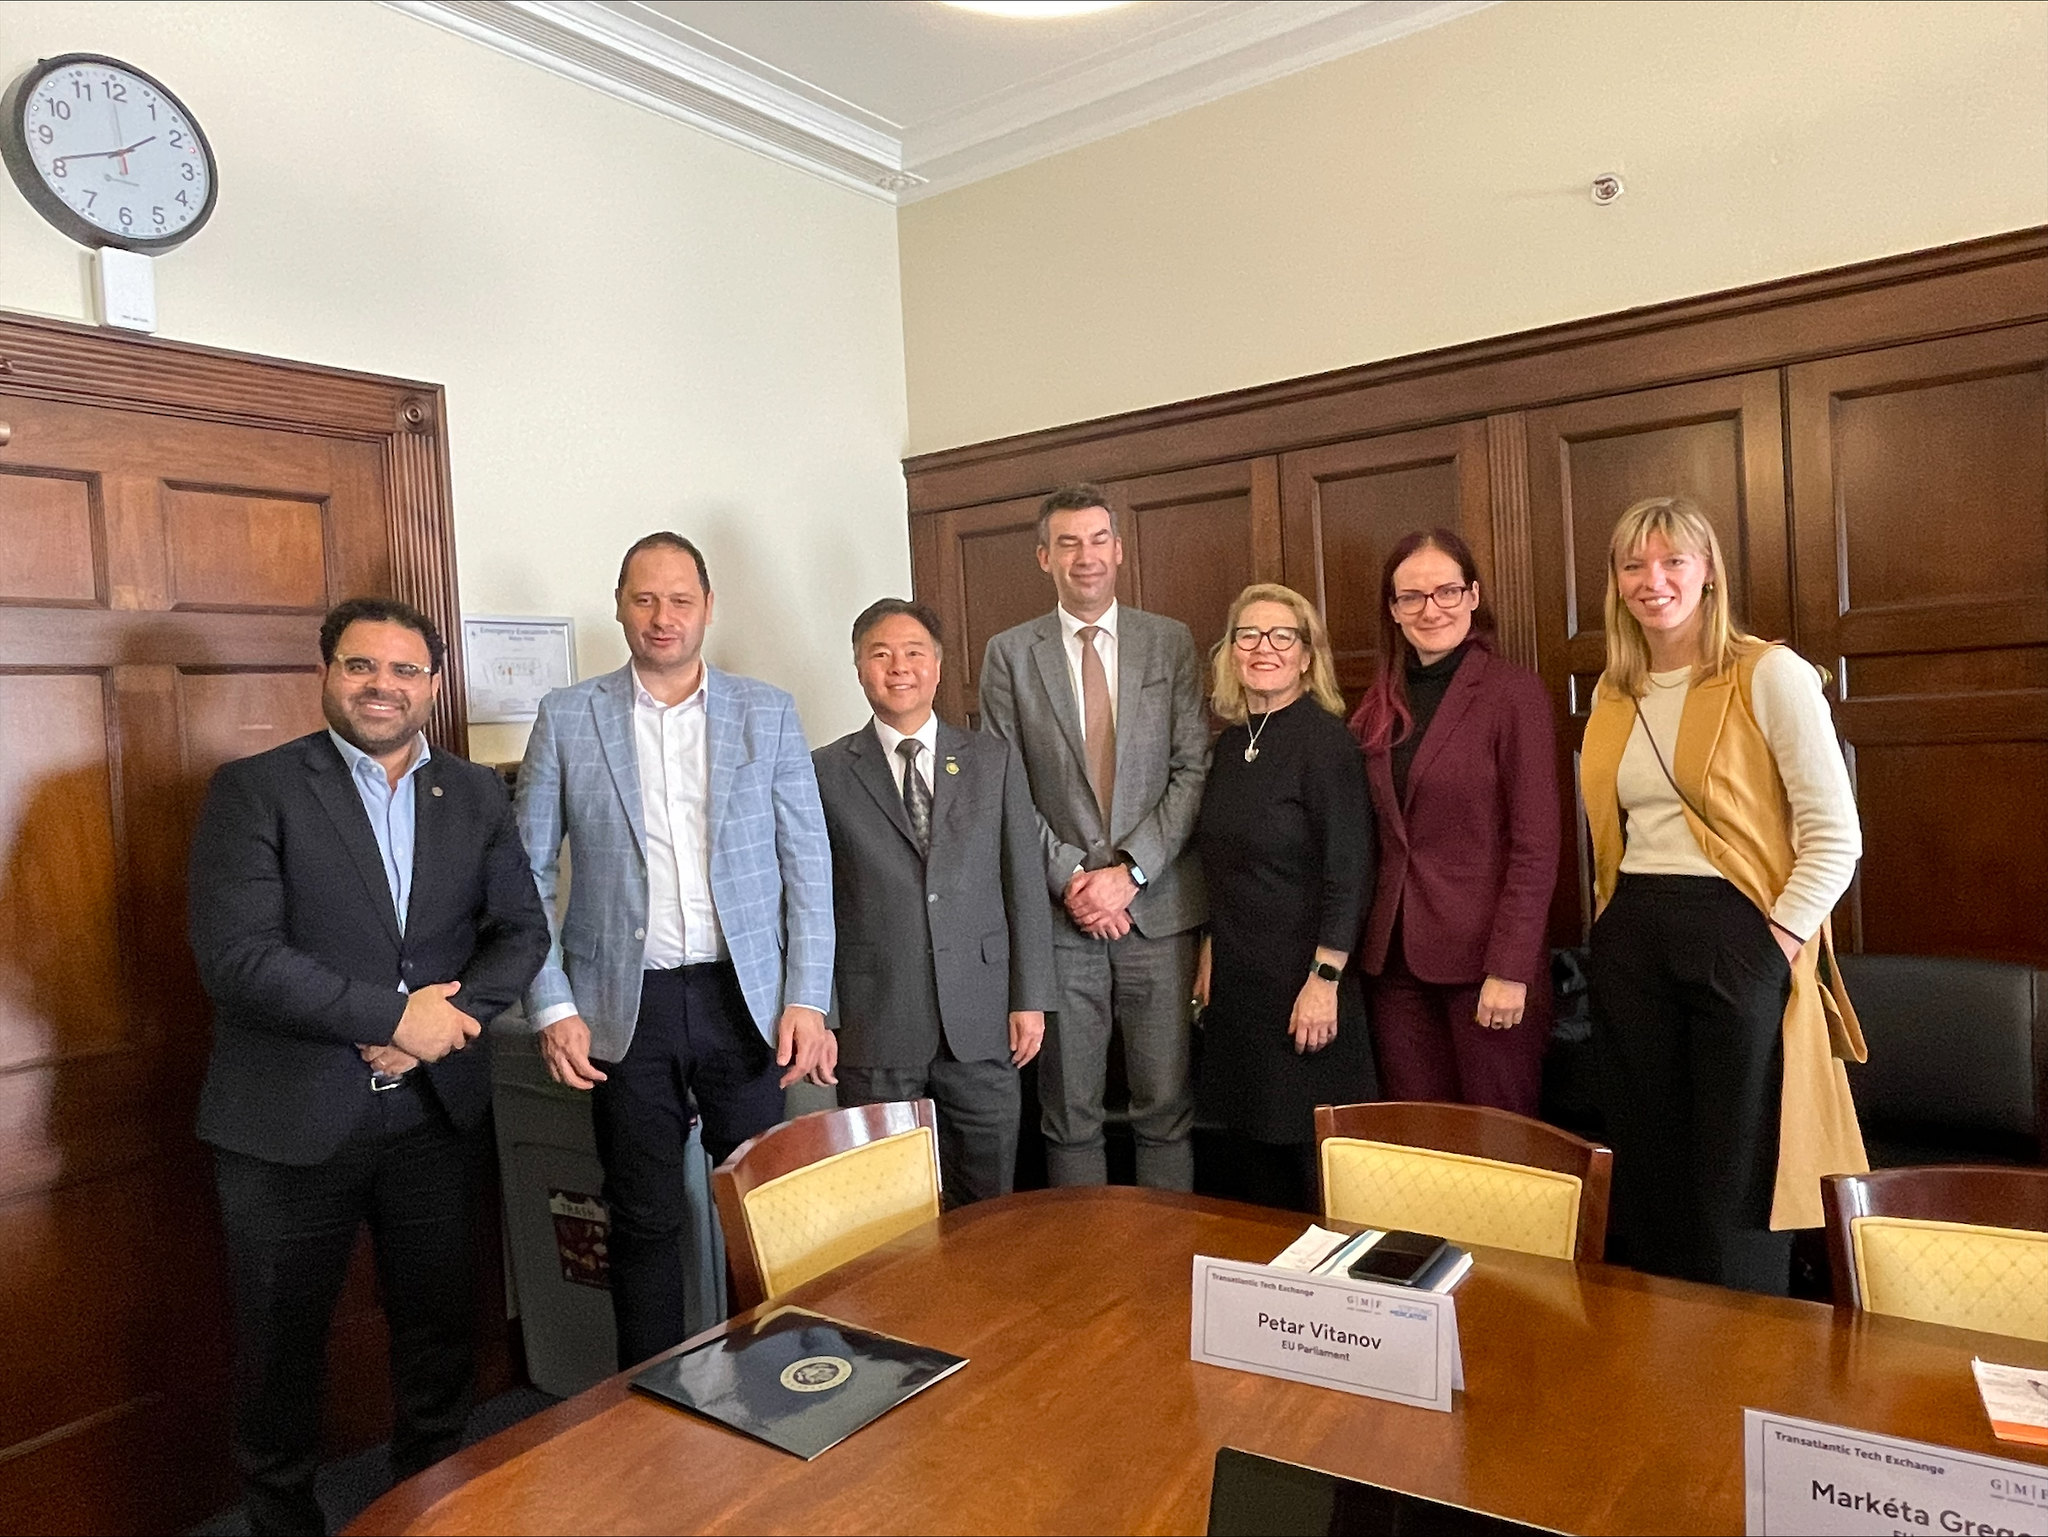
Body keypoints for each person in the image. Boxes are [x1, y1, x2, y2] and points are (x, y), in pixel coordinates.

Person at [189, 597, 549, 1537]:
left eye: (403, 669)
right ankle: (282, 1520)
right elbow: (239, 956)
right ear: (326, 672)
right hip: (288, 1123)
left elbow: (521, 930)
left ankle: (432, 1502)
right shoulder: (254, 788)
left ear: (432, 682)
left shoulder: (471, 793)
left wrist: (447, 1019)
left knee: (438, 1334)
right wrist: (395, 1014)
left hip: (432, 1114)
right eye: (361, 666)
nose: (382, 685)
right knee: (280, 1347)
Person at [515, 532, 836, 1370]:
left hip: (747, 1000)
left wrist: (806, 995)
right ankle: (651, 1415)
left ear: (708, 607)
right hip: (627, 1008)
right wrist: (552, 1003)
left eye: (680, 599)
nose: (663, 617)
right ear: (620, 605)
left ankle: (778, 1383)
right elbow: (527, 873)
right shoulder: (567, 715)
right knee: (644, 1220)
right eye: (645, 599)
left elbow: (809, 863)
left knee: (764, 1214)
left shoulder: (766, 710)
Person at [1580, 495, 1866, 1295]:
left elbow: (1835, 836)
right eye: (1633, 564)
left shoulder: (1767, 672)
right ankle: (1661, 1367)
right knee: (1650, 1165)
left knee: (1736, 1171)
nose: (1653, 580)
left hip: (1738, 932)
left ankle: (1742, 1367)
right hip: (1633, 930)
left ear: (1708, 574)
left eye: (1673, 560)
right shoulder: (1613, 690)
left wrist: (1771, 944)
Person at [978, 485, 1209, 1190]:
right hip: (1061, 920)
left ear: (1119, 547)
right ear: (1045, 556)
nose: (1086, 556)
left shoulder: (1169, 641)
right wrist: (1074, 878)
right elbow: (1003, 785)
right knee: (1068, 1113)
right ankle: (1084, 1280)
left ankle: (1167, 1271)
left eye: (1098, 539)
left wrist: (1131, 871)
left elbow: (1192, 766)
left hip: (1158, 913)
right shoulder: (1009, 655)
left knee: (1165, 1108)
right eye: (1069, 543)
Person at [812, 598, 1056, 1204]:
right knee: (888, 1211)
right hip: (876, 1025)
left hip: (982, 1023)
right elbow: (810, 903)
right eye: (881, 654)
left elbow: (1023, 882)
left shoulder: (991, 760)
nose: (900, 666)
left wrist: (1030, 997)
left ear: (938, 667)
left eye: (914, 652)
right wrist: (822, 1011)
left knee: (989, 1205)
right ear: (860, 669)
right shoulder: (823, 771)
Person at [1348, 530, 1559, 1115]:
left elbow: (1535, 846)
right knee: (1421, 1147)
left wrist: (1510, 968)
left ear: (1473, 596)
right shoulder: (1378, 701)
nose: (1430, 608)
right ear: (1393, 611)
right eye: (1411, 597)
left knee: (1501, 1144)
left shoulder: (1513, 693)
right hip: (1393, 965)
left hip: (1485, 967)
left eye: (1446, 591)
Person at [1192, 584, 1376, 1212]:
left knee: (1305, 1167)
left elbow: (1348, 869)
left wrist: (1325, 977)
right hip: (1241, 984)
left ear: (1306, 656)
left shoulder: (1326, 742)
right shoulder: (1228, 745)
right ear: (1231, 653)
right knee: (1250, 1163)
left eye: (1281, 636)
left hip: (1306, 986)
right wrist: (1211, 947)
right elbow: (1219, 861)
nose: (1262, 648)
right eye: (1248, 635)